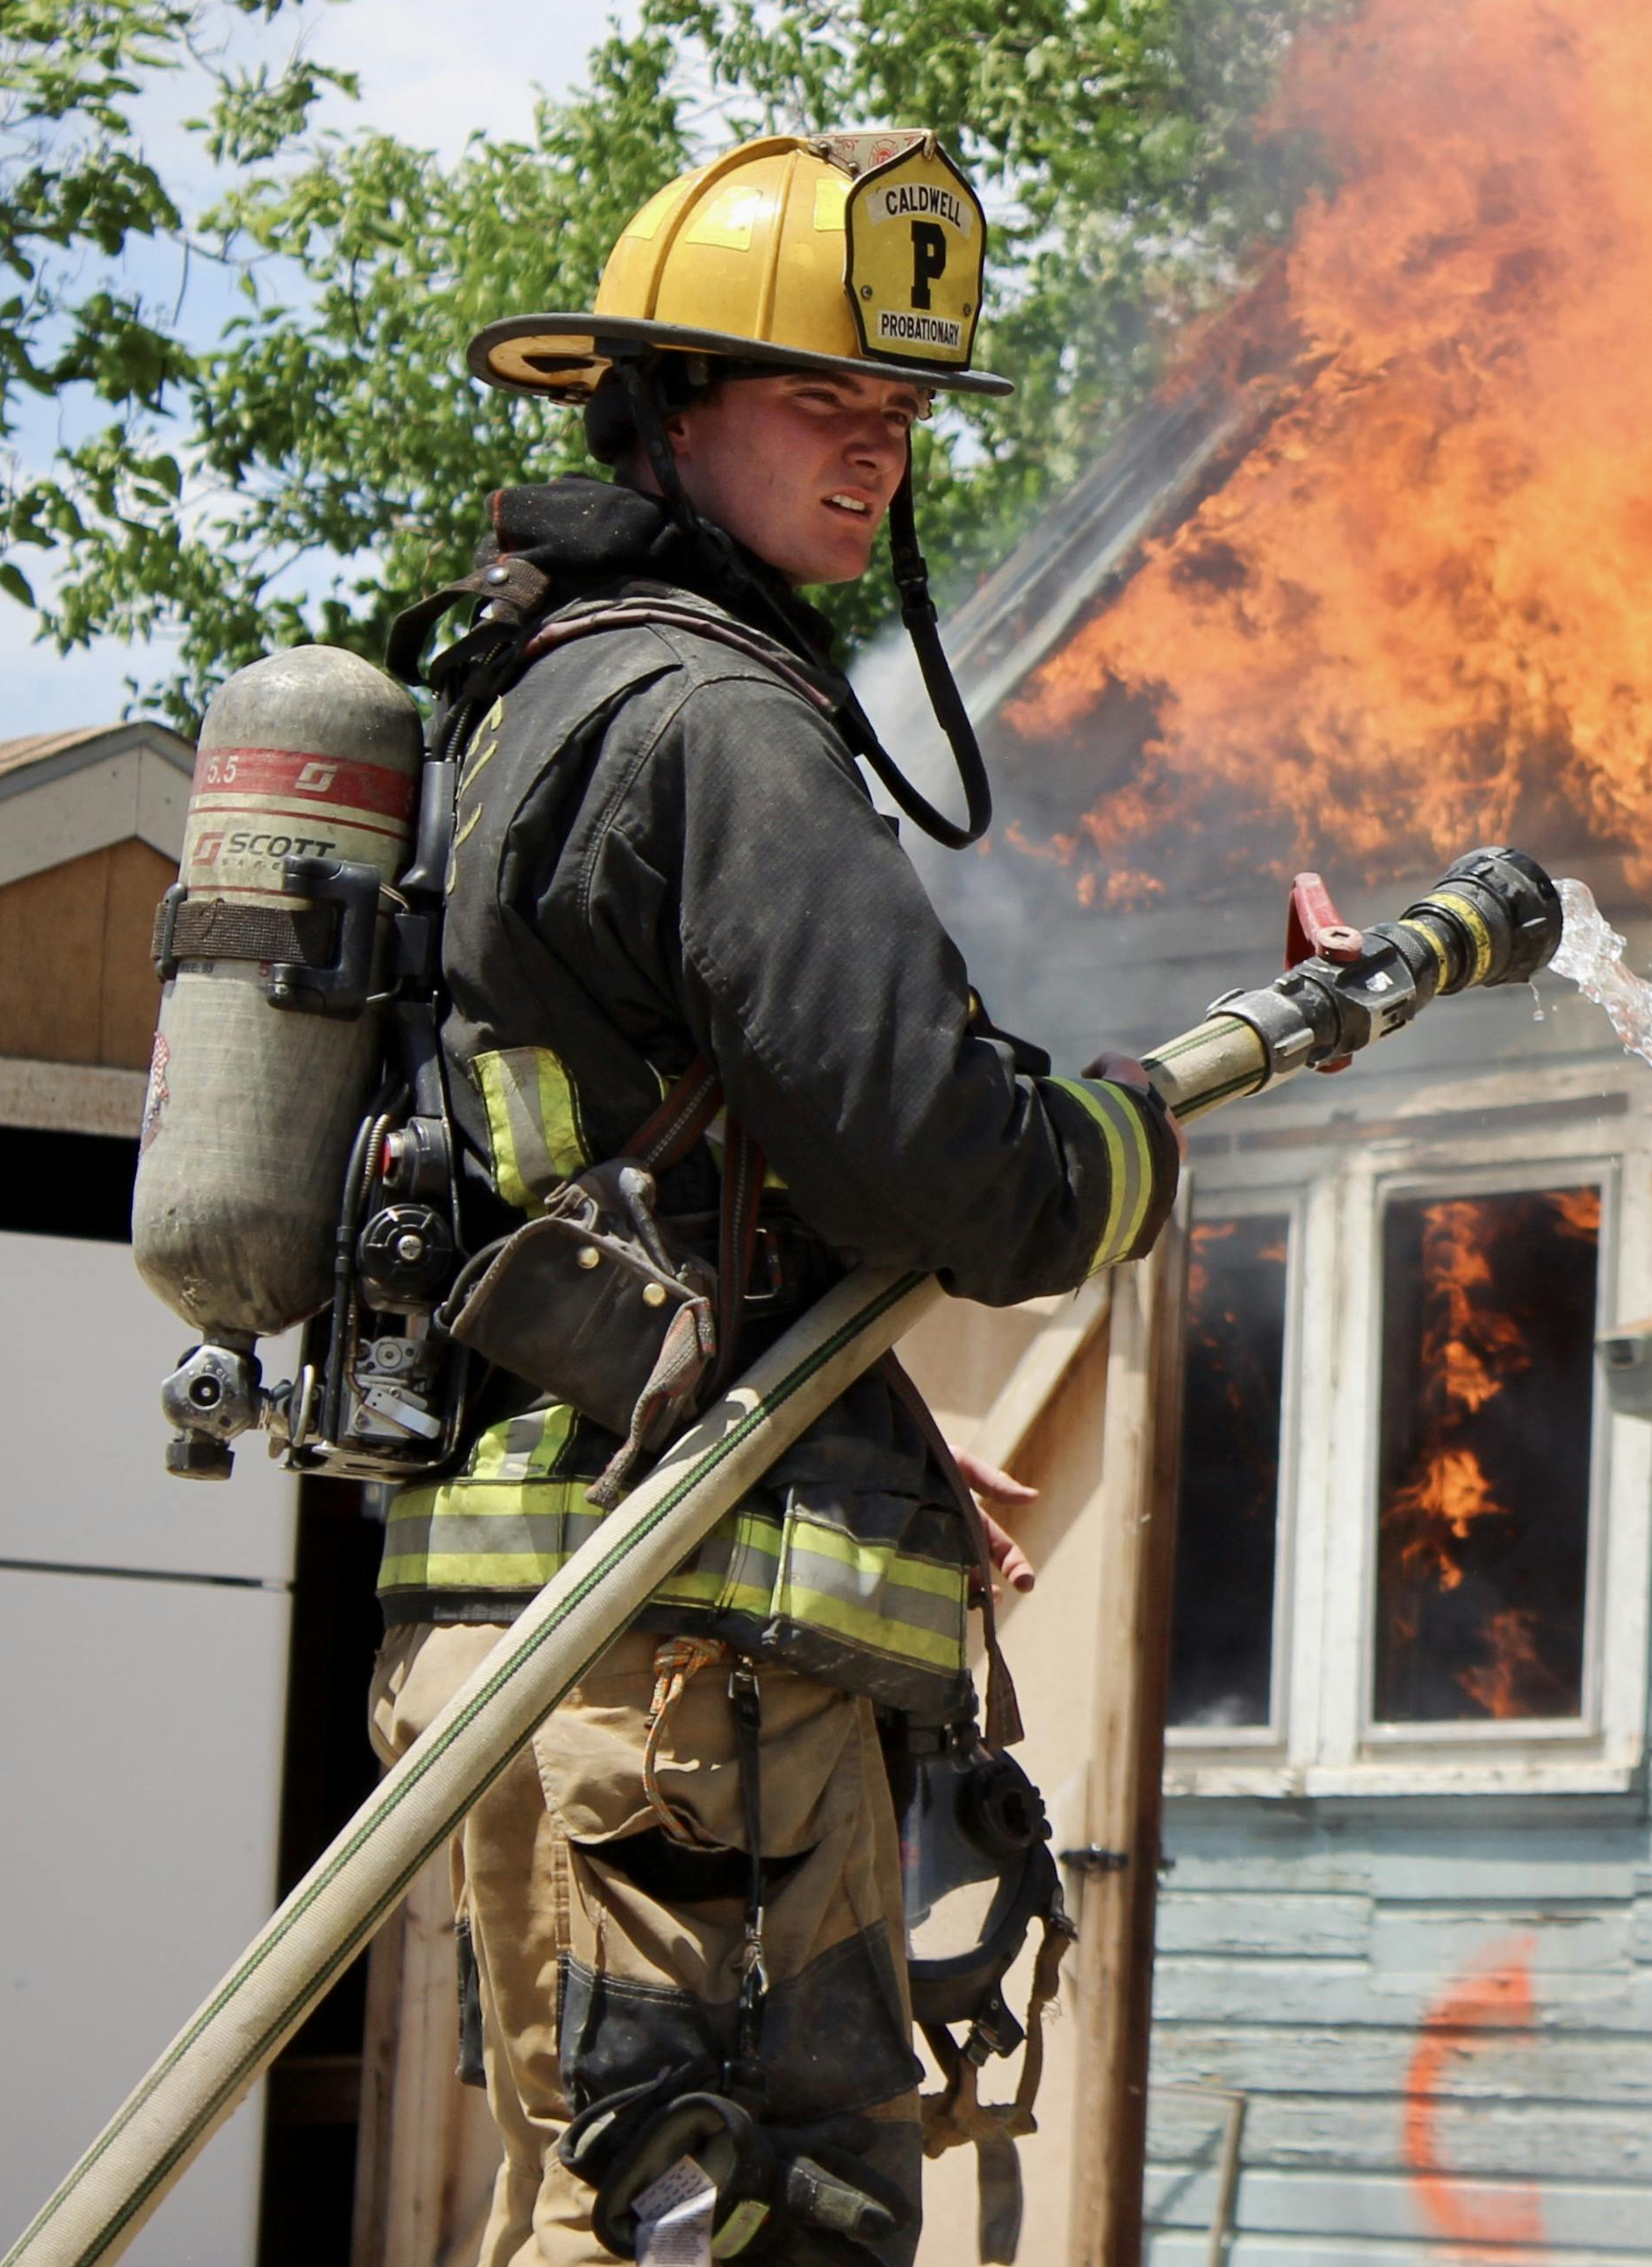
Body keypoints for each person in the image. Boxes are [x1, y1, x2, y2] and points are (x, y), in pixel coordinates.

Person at [365, 128, 1174, 2265]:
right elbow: (951, 1163)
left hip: (569, 1634)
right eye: (830, 402)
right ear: (673, 399)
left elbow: (679, 1219)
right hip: (684, 1677)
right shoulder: (716, 717)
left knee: (604, 2217)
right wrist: (1126, 1148)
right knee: (745, 2234)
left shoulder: (538, 693)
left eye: (902, 415)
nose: (881, 455)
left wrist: (883, 1449)